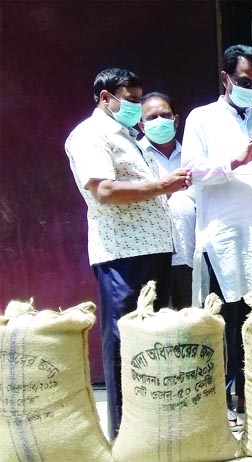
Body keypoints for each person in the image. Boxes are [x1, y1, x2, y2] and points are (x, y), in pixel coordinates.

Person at [65, 68, 191, 438]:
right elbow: (104, 190)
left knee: (153, 340)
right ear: (106, 98)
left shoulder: (129, 137)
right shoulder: (89, 136)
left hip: (153, 251)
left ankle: (155, 424)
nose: (137, 106)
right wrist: (162, 185)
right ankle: (126, 433)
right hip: (123, 254)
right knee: (125, 341)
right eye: (132, 100)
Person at [181, 44, 252, 428]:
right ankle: (225, 395)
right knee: (225, 316)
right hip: (222, 233)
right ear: (225, 78)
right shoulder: (201, 118)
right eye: (245, 81)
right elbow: (191, 170)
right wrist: (236, 161)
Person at [138, 91, 196, 309]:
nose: (160, 121)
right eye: (152, 118)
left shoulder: (191, 154)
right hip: (152, 257)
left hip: (188, 254)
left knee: (191, 319)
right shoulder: (136, 155)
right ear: (141, 126)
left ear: (176, 120)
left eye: (165, 115)